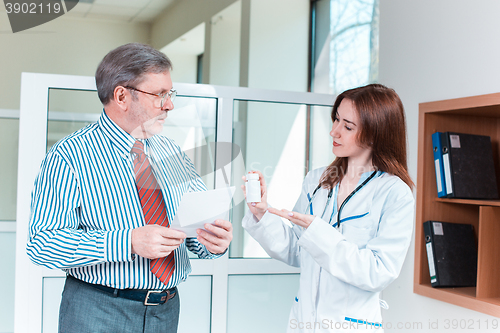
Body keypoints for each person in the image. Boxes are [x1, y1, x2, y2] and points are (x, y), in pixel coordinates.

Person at [27, 43, 233, 333]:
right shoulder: (69, 156)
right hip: (97, 311)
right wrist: (128, 242)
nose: (170, 104)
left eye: (170, 94)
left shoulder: (171, 151)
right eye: (160, 95)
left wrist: (213, 241)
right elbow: (41, 244)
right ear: (122, 96)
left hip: (166, 310)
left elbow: (193, 233)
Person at [242, 84, 414, 332]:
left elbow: (378, 272)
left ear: (375, 133)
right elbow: (296, 249)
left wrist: (319, 233)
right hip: (303, 321)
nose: (334, 131)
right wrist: (261, 215)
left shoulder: (394, 193)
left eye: (347, 126)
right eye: (336, 120)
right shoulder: (317, 180)